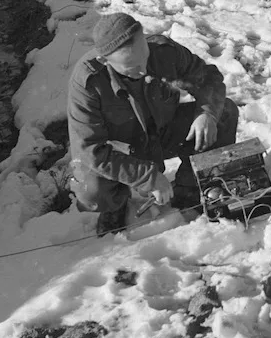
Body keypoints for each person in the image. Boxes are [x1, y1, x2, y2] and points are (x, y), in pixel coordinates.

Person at [67, 12, 239, 235]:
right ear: (105, 61)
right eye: (131, 67)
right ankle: (114, 206)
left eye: (144, 58)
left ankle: (188, 188)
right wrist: (146, 177)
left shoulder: (162, 51)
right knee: (91, 189)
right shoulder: (87, 83)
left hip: (161, 134)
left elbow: (209, 79)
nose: (142, 70)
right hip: (123, 149)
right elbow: (90, 150)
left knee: (223, 112)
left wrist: (206, 114)